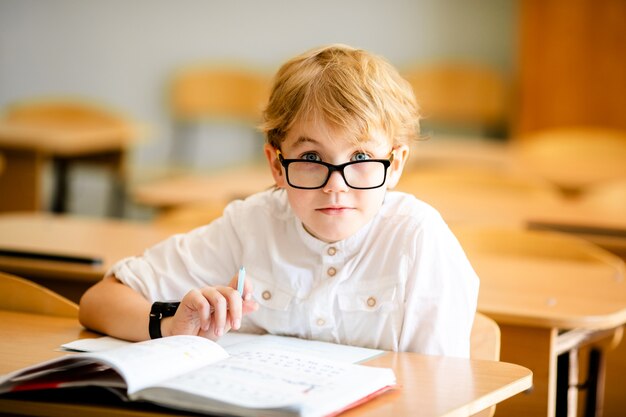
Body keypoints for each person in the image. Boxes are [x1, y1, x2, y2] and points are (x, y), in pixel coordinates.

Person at [79, 44, 479, 357]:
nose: (335, 186)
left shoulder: (419, 241)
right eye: (310, 158)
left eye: (359, 158)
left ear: (394, 165)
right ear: (275, 163)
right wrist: (169, 325)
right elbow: (100, 301)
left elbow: (441, 388)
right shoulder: (251, 225)